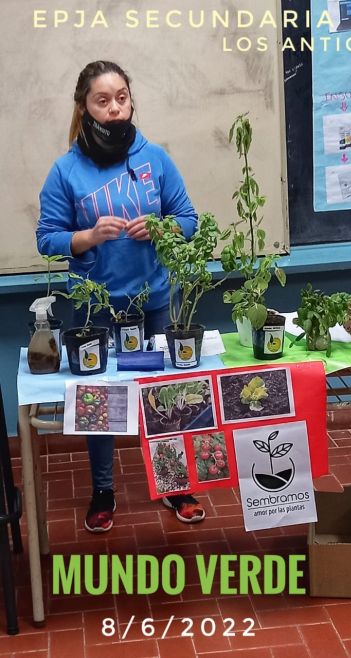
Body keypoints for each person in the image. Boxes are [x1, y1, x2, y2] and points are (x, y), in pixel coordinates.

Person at [36, 60, 206, 532]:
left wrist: (162, 226)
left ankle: (177, 485)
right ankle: (104, 491)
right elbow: (47, 237)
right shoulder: (67, 170)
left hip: (152, 300)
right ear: (84, 107)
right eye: (102, 100)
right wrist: (87, 237)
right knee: (100, 398)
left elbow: (188, 220)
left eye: (122, 98)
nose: (114, 109)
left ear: (131, 100)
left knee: (169, 394)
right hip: (94, 307)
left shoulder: (154, 159)